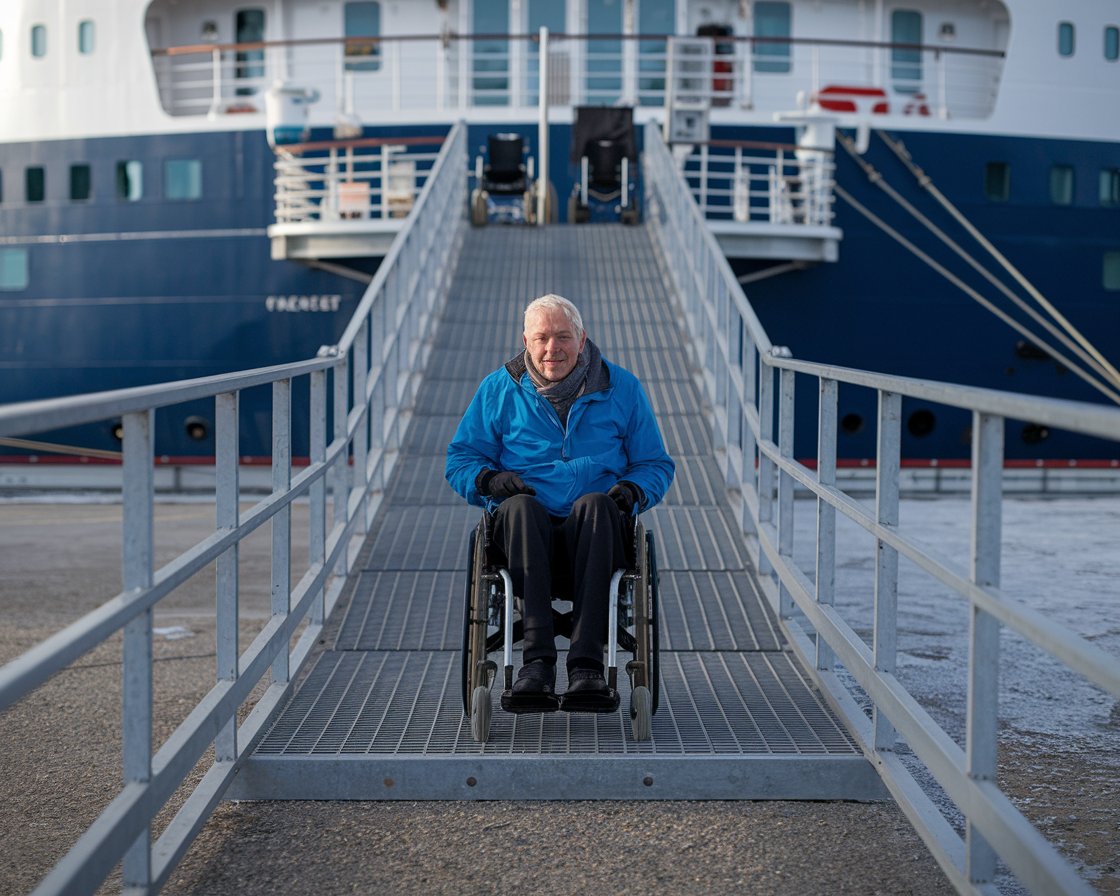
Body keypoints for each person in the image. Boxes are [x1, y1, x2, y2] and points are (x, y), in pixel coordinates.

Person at [446, 294, 675, 713]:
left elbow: (655, 464)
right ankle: (536, 664)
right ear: (526, 341)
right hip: (523, 536)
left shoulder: (622, 387)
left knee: (598, 505)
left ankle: (586, 665)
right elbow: (461, 458)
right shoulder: (498, 389)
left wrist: (632, 490)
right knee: (519, 508)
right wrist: (489, 480)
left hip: (596, 532)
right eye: (542, 338)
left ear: (582, 339)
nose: (553, 348)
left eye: (563, 337)